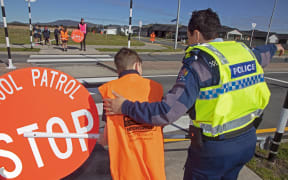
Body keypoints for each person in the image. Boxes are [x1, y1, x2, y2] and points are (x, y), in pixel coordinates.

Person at [104, 8, 285, 179]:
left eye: (189, 36)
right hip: (247, 142)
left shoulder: (200, 63)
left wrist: (125, 106)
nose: (188, 41)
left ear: (196, 34)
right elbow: (263, 52)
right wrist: (276, 47)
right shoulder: (244, 51)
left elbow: (165, 113)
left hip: (215, 152)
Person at [98, 48, 166, 180]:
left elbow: (108, 130)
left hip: (126, 168)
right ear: (137, 65)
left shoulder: (108, 90)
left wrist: (101, 140)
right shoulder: (156, 88)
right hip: (152, 164)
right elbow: (162, 119)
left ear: (118, 69)